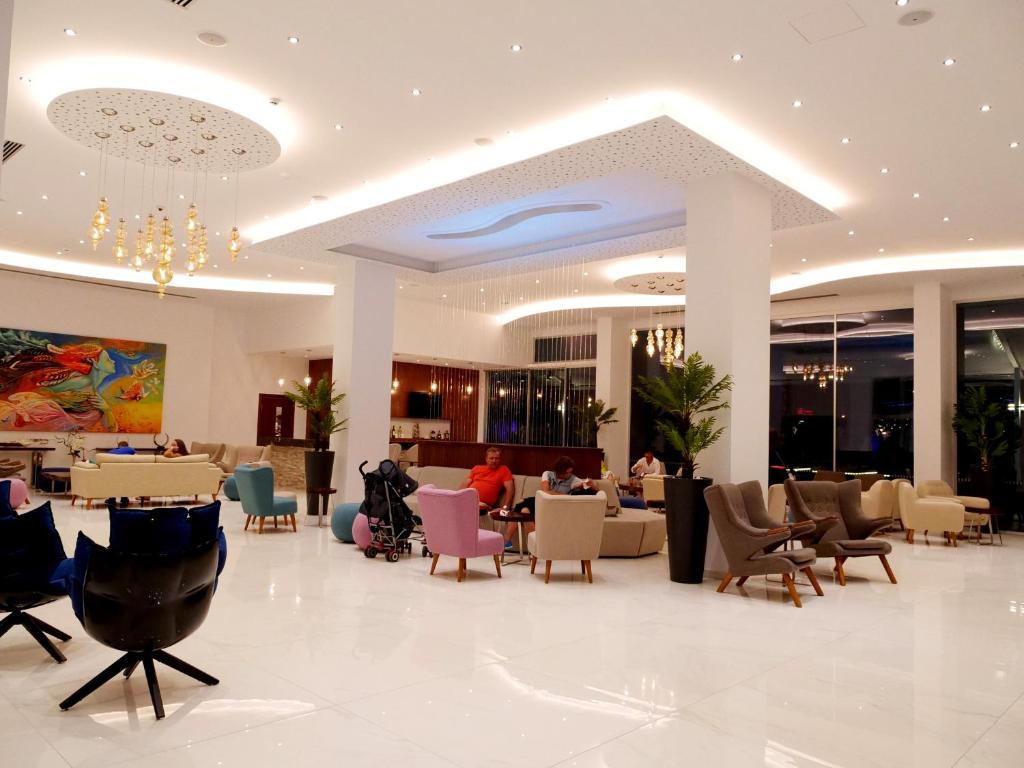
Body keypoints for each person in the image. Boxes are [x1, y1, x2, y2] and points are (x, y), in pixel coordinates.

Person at [505, 456, 595, 547]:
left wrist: (592, 484)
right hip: (543, 503)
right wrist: (566, 495)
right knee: (524, 510)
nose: (570, 474)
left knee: (521, 504)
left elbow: (591, 487)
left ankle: (510, 541)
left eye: (571, 472)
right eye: (568, 472)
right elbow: (545, 492)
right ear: (560, 471)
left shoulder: (574, 480)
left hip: (556, 507)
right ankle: (532, 546)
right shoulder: (547, 474)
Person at [459, 446, 514, 512]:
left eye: (497, 458)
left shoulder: (504, 470)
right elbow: (465, 484)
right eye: (491, 458)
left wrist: (505, 508)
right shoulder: (477, 468)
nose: (494, 461)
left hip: (483, 504)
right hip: (468, 499)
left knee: (467, 507)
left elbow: (510, 490)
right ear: (486, 459)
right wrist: (458, 497)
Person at [106, 441, 136, 506]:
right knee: (125, 479)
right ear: (127, 446)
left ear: (118, 447)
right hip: (127, 472)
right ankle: (124, 498)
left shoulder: (111, 451)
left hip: (114, 472)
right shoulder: (131, 450)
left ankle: (112, 499)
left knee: (113, 480)